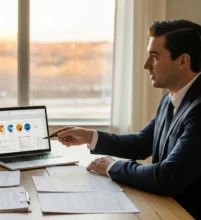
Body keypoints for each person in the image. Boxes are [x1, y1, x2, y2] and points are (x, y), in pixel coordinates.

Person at [50, 19, 201, 219]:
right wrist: (90, 136)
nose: (146, 65)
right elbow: (141, 143)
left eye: (154, 57)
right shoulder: (170, 99)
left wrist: (112, 167)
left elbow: (168, 177)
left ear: (183, 61)